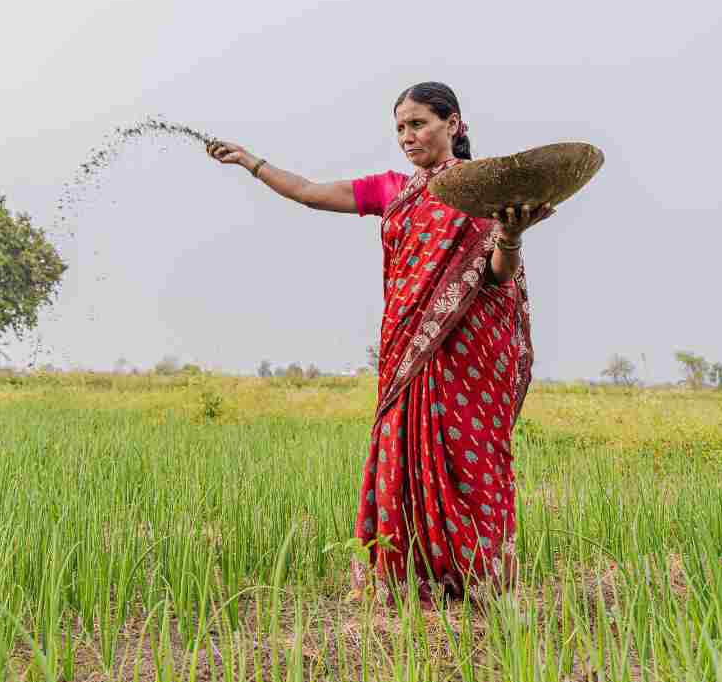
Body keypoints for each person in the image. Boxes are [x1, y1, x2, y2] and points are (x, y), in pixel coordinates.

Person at [205, 81, 555, 608]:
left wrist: (511, 236)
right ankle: (407, 583)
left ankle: (478, 583)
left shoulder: (483, 189)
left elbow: (499, 278)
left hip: (466, 355)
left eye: (418, 124)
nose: (407, 136)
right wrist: (250, 162)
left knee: (468, 459)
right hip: (406, 352)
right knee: (406, 453)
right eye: (399, 128)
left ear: (453, 124)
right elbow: (308, 191)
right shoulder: (395, 189)